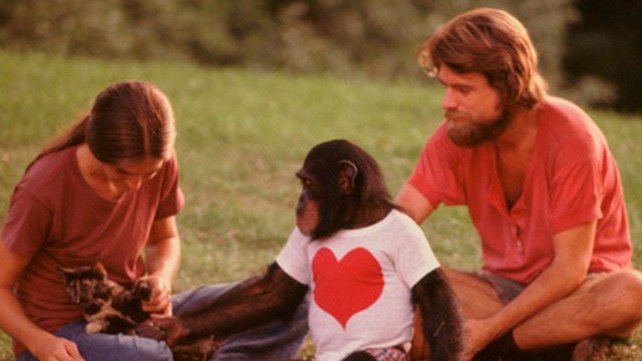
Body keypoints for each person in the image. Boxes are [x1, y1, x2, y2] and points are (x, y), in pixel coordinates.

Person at [394, 7, 642, 361]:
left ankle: (500, 347)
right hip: (500, 291)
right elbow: (395, 224)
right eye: (446, 87)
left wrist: (485, 333)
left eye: (463, 89)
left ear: (510, 87)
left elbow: (570, 269)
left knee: (632, 293)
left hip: (581, 290)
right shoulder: (456, 136)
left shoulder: (572, 137)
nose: (447, 103)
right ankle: (551, 345)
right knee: (408, 279)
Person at [0, 80, 306, 361]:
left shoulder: (161, 162)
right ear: (95, 147)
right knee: (151, 357)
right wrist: (38, 342)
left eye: (150, 174)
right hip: (65, 337)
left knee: (290, 304)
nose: (136, 186)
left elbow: (164, 240)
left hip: (136, 316)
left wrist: (161, 278)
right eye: (122, 173)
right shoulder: (44, 188)